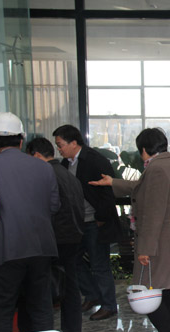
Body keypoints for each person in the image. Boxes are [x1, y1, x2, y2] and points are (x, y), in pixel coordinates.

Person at [90, 128, 170, 332]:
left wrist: (145, 249)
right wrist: (113, 182)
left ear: (144, 149)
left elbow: (154, 212)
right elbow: (143, 188)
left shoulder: (156, 169)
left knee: (145, 296)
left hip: (159, 243)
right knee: (168, 292)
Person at [0, 112, 59, 332]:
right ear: (21, 140)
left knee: (2, 311)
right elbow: (54, 206)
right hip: (41, 248)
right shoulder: (44, 167)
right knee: (41, 308)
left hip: (5, 250)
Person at [53, 125, 120, 321]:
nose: (59, 149)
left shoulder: (94, 160)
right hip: (76, 222)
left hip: (95, 222)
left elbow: (108, 192)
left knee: (99, 265)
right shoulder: (65, 164)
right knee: (73, 261)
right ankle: (91, 295)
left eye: (60, 145)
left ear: (74, 143)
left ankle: (109, 305)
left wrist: (101, 218)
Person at [26, 137, 85, 332]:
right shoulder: (67, 174)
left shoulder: (44, 175)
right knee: (70, 288)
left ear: (36, 155)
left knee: (45, 291)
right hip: (73, 237)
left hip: (54, 240)